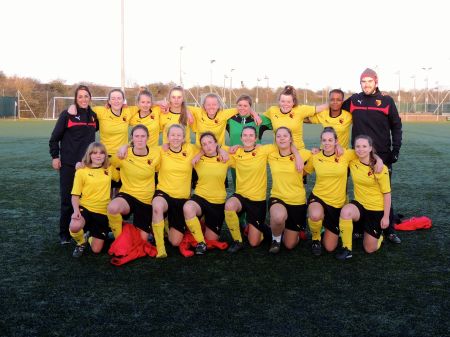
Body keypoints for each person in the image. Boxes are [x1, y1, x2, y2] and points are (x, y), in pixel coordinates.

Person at [342, 68, 402, 244]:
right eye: (363, 81)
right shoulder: (354, 100)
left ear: (376, 82)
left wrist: (395, 150)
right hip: (359, 154)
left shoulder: (386, 100)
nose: (366, 84)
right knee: (361, 191)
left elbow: (396, 126)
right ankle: (360, 228)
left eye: (370, 81)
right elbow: (335, 107)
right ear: (360, 83)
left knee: (384, 191)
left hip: (381, 154)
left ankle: (389, 229)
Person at [49, 85, 98, 244]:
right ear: (76, 99)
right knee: (67, 200)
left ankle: (85, 231)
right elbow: (54, 138)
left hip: (87, 166)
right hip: (69, 165)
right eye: (80, 96)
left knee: (87, 200)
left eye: (86, 96)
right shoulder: (67, 115)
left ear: (90, 97)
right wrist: (55, 157)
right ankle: (64, 234)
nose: (84, 99)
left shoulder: (94, 117)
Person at [304, 127, 359, 256]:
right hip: (319, 197)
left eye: (330, 140)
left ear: (336, 141)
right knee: (315, 215)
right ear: (321, 141)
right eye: (324, 140)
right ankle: (316, 238)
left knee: (330, 247)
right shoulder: (316, 157)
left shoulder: (345, 154)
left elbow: (365, 152)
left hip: (337, 204)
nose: (327, 143)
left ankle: (327, 227)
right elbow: (303, 172)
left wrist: (378, 160)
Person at [335, 135, 391, 260]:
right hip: (359, 205)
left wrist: (386, 217)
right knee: (345, 211)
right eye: (358, 146)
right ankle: (347, 248)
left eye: (364, 146)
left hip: (376, 209)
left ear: (371, 148)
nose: (361, 149)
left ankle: (380, 236)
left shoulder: (380, 168)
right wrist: (337, 145)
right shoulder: (353, 160)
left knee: (369, 249)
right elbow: (337, 150)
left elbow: (387, 194)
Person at [224, 126, 278, 252]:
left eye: (251, 135)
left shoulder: (263, 150)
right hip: (241, 195)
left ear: (256, 138)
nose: (248, 138)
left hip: (257, 200)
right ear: (241, 138)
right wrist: (228, 149)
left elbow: (284, 143)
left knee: (254, 243)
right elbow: (216, 148)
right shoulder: (236, 152)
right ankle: (238, 241)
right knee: (229, 206)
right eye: (245, 135)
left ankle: (263, 228)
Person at [151, 124, 199, 257]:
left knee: (175, 242)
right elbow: (141, 147)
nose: (176, 138)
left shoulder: (190, 148)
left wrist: (199, 155)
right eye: (172, 135)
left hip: (182, 199)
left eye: (179, 135)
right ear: (167, 137)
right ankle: (160, 248)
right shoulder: (160, 150)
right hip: (164, 193)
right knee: (157, 206)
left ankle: (165, 222)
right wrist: (126, 146)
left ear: (184, 137)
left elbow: (208, 147)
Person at [108, 124, 161, 241]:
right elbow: (104, 162)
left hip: (146, 199)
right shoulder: (123, 154)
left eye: (143, 136)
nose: (140, 139)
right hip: (127, 194)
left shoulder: (156, 153)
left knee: (142, 240)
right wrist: (82, 163)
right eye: (137, 136)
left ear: (148, 137)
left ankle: (139, 229)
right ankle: (119, 239)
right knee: (113, 207)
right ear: (132, 138)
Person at [182, 132, 232, 255]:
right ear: (201, 147)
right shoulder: (197, 158)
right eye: (204, 144)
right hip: (201, 197)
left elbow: (240, 150)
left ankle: (202, 224)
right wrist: (199, 153)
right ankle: (200, 242)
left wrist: (222, 150)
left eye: (210, 142)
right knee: (188, 207)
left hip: (217, 202)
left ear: (216, 143)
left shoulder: (225, 157)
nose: (208, 146)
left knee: (212, 240)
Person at [69, 142, 119, 258]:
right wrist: (76, 211)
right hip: (85, 207)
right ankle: (81, 242)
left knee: (96, 250)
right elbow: (75, 195)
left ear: (105, 155)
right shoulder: (81, 171)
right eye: (94, 153)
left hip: (102, 211)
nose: (98, 156)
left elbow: (122, 176)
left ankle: (89, 236)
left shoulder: (109, 168)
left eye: (102, 153)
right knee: (75, 226)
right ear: (89, 155)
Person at [267, 127, 310, 254]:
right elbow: (251, 148)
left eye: (285, 136)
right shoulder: (271, 153)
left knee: (290, 245)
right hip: (278, 196)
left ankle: (293, 229)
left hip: (297, 200)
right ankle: (275, 239)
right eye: (278, 136)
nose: (281, 138)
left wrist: (296, 154)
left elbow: (322, 153)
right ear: (275, 139)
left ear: (290, 138)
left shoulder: (303, 154)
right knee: (279, 217)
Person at [263, 85, 327, 150]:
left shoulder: (300, 110)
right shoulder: (272, 110)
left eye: (288, 102)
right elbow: (260, 118)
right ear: (279, 101)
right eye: (283, 101)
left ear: (293, 102)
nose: (285, 104)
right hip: (278, 153)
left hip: (298, 151)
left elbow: (320, 108)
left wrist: (334, 102)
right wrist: (254, 114)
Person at [189, 93, 261, 146]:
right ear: (204, 105)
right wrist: (188, 114)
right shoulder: (199, 112)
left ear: (219, 105)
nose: (211, 107)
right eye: (208, 104)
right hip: (200, 150)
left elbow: (242, 107)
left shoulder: (224, 113)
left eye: (214, 104)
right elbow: (183, 107)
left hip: (218, 151)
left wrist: (255, 115)